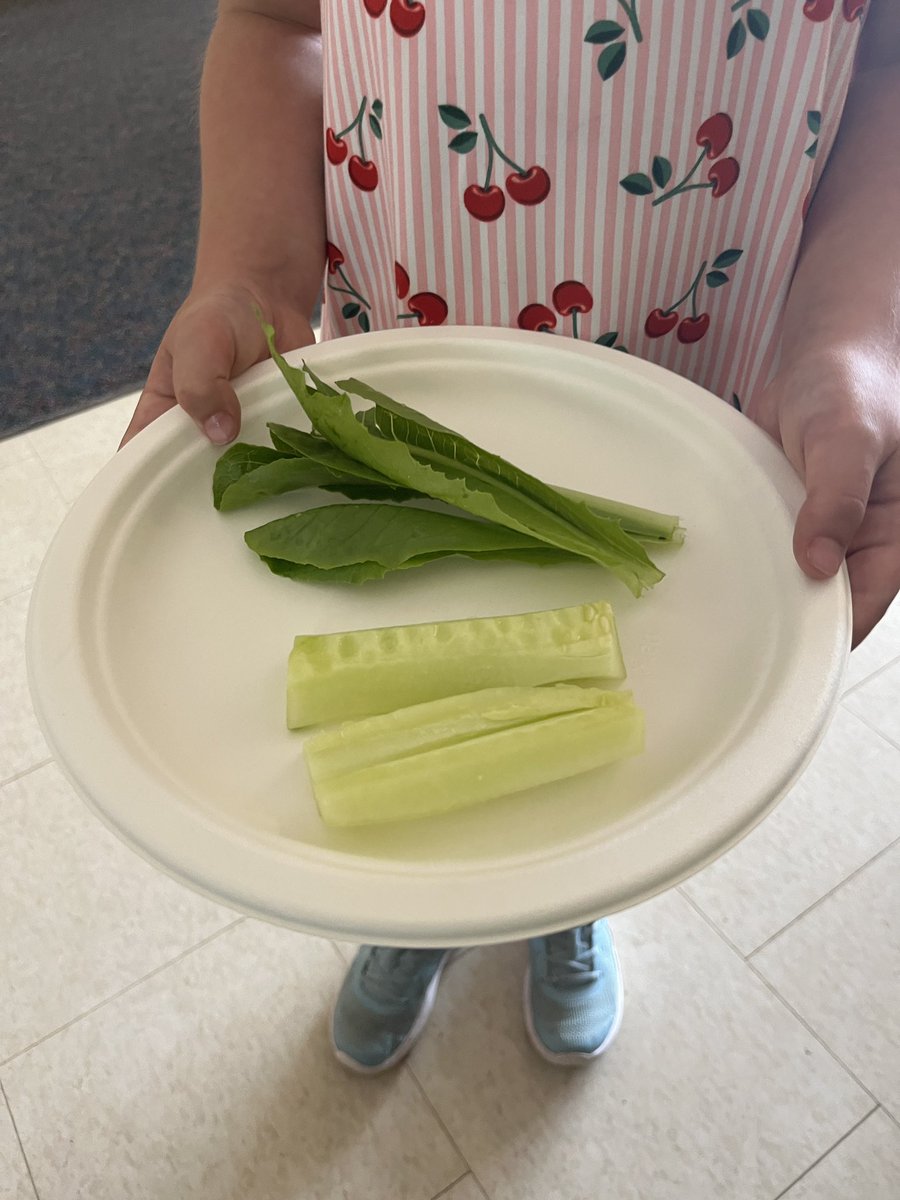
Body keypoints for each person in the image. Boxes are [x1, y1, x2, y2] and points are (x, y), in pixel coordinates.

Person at [123, 0, 900, 1073]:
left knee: (627, 675)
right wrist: (250, 272)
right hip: (416, 372)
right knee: (420, 607)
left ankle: (564, 893)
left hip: (694, 393)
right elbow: (274, 21)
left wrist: (851, 341)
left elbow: (888, 69)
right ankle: (425, 903)